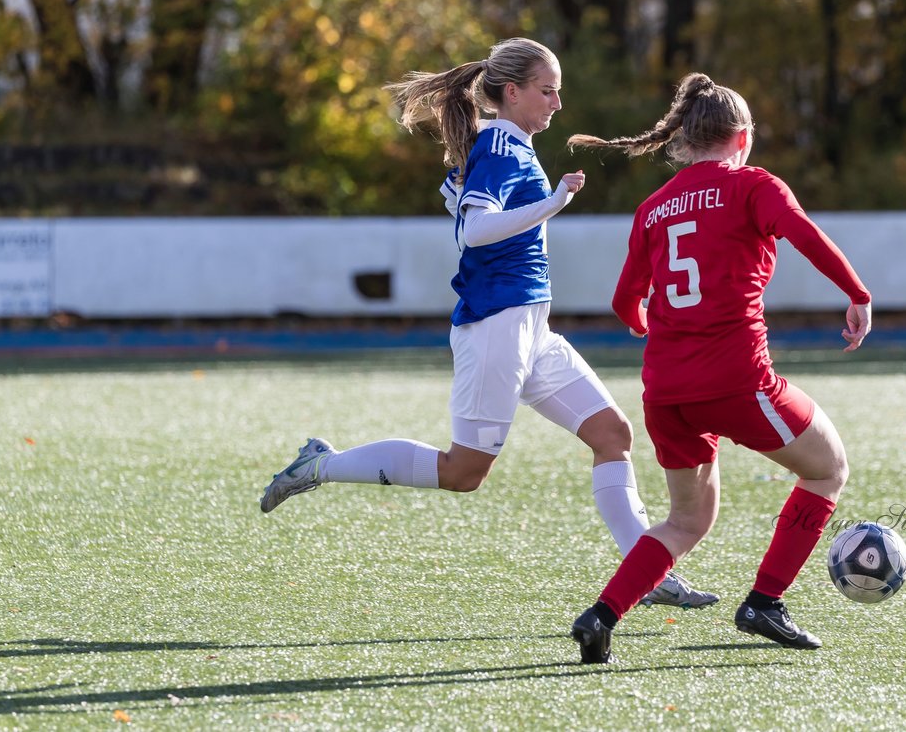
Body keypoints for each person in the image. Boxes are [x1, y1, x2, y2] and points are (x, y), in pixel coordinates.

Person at [258, 38, 717, 610]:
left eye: (558, 90)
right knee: (463, 472)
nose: (556, 103)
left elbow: (462, 205)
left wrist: (477, 194)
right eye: (547, 90)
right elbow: (476, 231)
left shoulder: (508, 144)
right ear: (512, 92)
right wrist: (551, 203)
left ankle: (646, 574)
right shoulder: (502, 143)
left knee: (612, 435)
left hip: (532, 330)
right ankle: (321, 464)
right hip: (497, 327)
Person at [564, 72, 872, 663]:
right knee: (828, 469)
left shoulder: (654, 206)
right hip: (737, 380)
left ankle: (600, 616)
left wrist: (651, 326)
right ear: (742, 138)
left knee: (685, 521)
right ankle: (765, 602)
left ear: (685, 139)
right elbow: (804, 235)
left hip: (665, 391)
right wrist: (857, 294)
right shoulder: (753, 184)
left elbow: (625, 302)